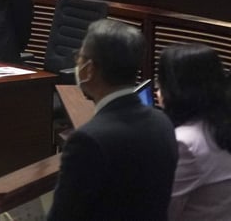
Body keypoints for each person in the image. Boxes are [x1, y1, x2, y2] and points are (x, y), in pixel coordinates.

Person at [47, 19, 177, 221]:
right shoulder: (163, 122)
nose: (77, 64)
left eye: (79, 57)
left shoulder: (87, 141)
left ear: (89, 70)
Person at [157, 44, 231, 221]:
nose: (158, 89)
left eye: (161, 83)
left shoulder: (185, 143)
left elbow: (163, 211)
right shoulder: (221, 123)